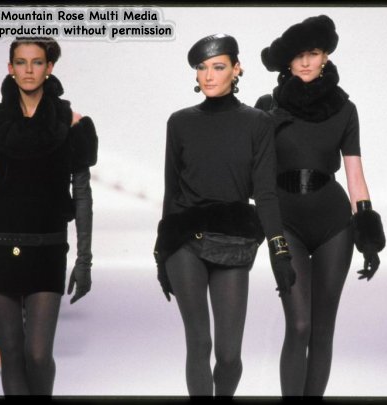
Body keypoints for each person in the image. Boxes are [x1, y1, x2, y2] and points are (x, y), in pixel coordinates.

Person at [153, 33, 296, 397]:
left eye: (218, 67)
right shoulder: (179, 122)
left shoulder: (258, 123)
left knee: (229, 356)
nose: (208, 75)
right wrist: (160, 252)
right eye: (202, 68)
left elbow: (265, 193)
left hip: (233, 240)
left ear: (237, 69)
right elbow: (172, 190)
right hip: (184, 241)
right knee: (199, 343)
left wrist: (280, 250)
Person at [255, 15, 385, 396]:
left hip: (334, 225)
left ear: (325, 55)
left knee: (323, 330)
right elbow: (256, 177)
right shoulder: (268, 108)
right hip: (286, 223)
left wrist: (368, 234)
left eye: (312, 53)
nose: (306, 62)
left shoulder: (345, 109)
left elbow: (354, 175)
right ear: (287, 62)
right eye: (298, 56)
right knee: (299, 326)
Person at [0, 37, 98, 395]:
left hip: (47, 247)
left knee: (37, 354)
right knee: (11, 352)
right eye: (20, 62)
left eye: (36, 62)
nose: (28, 70)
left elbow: (82, 196)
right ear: (10, 68)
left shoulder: (72, 125)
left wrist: (84, 259)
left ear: (49, 67)